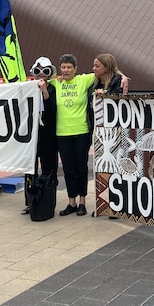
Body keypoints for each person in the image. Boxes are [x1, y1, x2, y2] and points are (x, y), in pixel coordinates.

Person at [50, 53, 97, 217]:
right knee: (68, 169)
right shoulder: (56, 83)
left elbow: (108, 69)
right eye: (63, 67)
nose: (66, 70)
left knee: (81, 168)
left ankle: (82, 202)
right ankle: (72, 202)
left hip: (81, 133)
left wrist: (124, 77)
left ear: (75, 69)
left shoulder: (83, 80)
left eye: (69, 67)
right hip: (62, 133)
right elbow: (38, 80)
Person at [29, 57, 59, 214]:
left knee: (49, 167)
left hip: (48, 133)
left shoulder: (53, 88)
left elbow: (52, 110)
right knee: (29, 168)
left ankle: (48, 200)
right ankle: (30, 201)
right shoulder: (28, 88)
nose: (41, 74)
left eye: (45, 71)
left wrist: (44, 91)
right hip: (31, 133)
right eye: (38, 70)